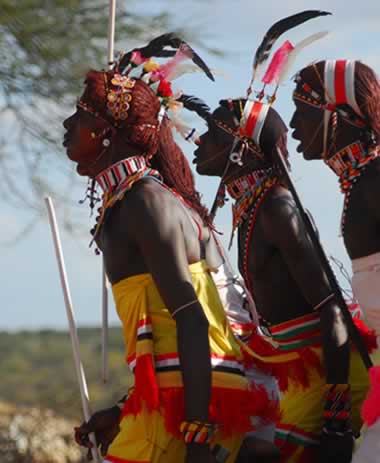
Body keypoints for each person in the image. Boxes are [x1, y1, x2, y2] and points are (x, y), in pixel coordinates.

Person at [64, 35, 275, 463]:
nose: (67, 124)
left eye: (79, 115)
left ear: (107, 133)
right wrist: (126, 408)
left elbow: (193, 320)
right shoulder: (134, 199)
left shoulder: (145, 201)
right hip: (181, 392)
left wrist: (196, 438)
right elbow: (164, 329)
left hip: (192, 403)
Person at [193, 96, 373, 462]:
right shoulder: (252, 209)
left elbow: (333, 311)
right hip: (291, 367)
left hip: (327, 367)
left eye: (212, 132)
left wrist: (335, 420)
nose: (199, 140)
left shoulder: (276, 206)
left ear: (240, 149)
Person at [290, 59, 380, 463]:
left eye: (301, 110)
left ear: (338, 116)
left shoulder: (376, 180)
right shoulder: (364, 182)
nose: (292, 124)